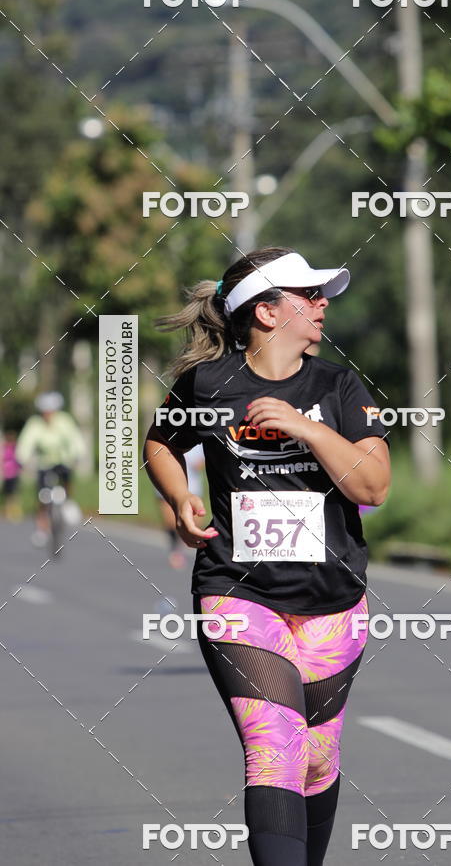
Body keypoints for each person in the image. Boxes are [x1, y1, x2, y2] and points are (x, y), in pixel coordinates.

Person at [143, 246, 391, 866]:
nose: (322, 303)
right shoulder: (207, 384)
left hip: (334, 600)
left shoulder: (338, 385)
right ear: (266, 311)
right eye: (307, 295)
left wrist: (307, 428)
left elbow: (374, 487)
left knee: (315, 754)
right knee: (274, 744)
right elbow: (160, 444)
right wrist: (181, 498)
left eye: (321, 294)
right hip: (237, 591)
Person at [15, 391, 86, 546]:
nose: (48, 414)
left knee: (67, 479)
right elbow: (26, 442)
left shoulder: (64, 421)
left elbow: (75, 439)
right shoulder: (34, 423)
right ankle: (42, 529)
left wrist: (78, 454)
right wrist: (21, 459)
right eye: (45, 411)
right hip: (44, 463)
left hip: (63, 460)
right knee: (43, 496)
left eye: (51, 411)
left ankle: (68, 502)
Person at [155, 444, 206, 570]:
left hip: (193, 487)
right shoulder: (165, 436)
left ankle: (198, 550)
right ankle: (175, 549)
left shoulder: (198, 442)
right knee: (171, 521)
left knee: (196, 522)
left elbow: (201, 464)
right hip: (168, 488)